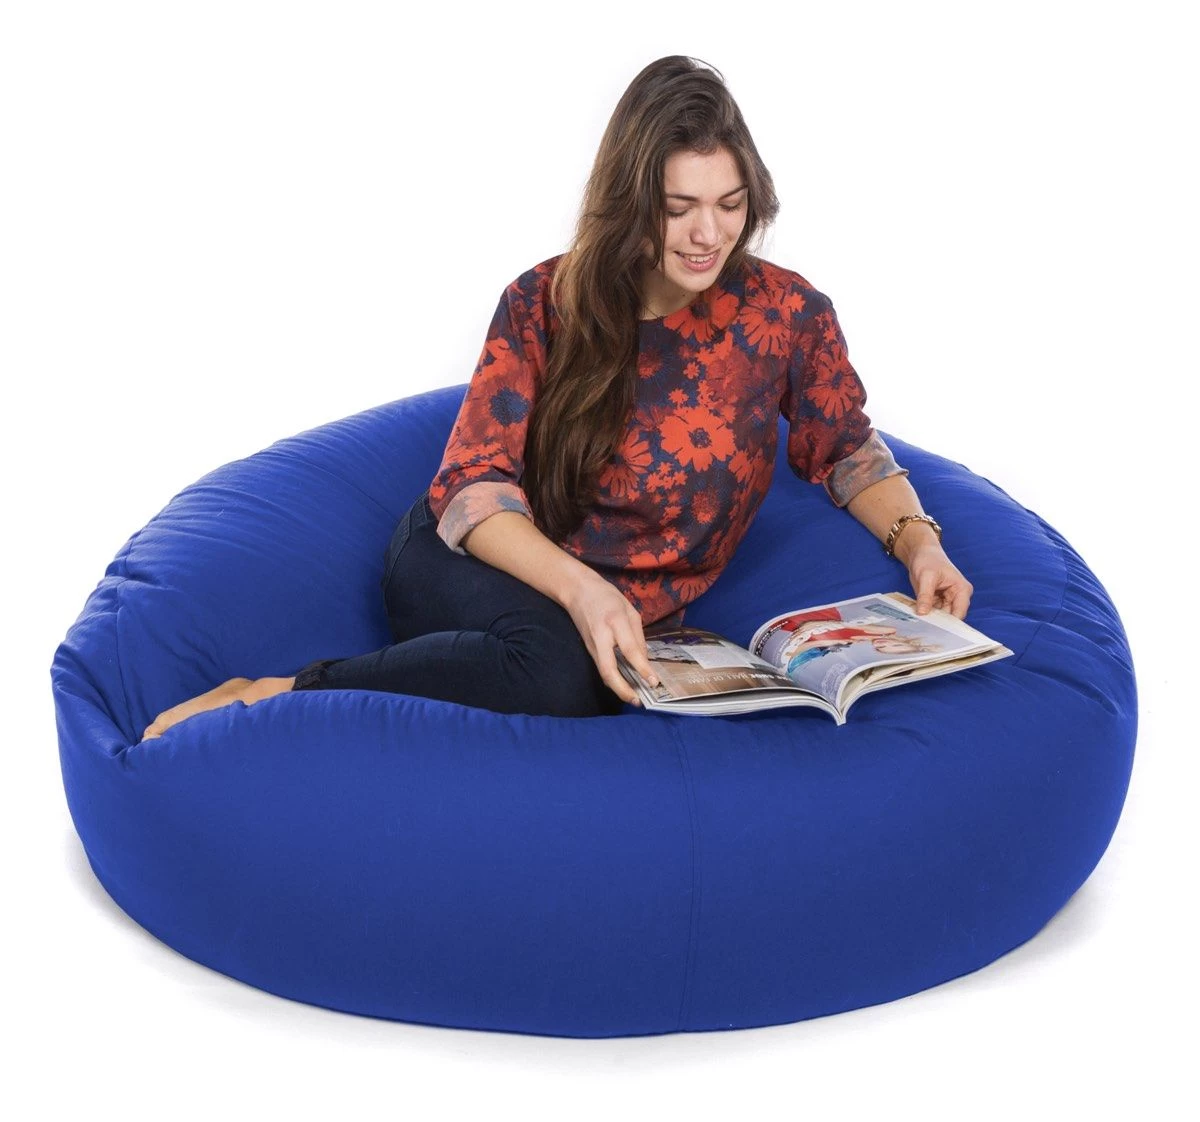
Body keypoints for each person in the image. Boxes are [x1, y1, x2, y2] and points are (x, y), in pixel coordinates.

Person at [140, 55, 972, 742]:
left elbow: (845, 448)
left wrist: (919, 547)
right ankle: (282, 693)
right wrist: (584, 590)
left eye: (729, 205)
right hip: (472, 561)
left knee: (590, 671)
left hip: (600, 613)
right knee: (562, 674)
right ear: (632, 202)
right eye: (678, 208)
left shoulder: (788, 316)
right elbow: (471, 489)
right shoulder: (545, 302)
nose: (708, 234)